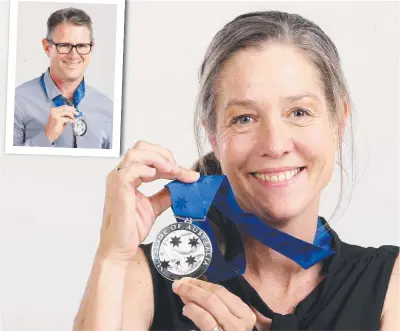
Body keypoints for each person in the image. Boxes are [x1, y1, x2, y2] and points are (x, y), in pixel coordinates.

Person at [73, 11, 399, 331]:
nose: (274, 144)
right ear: (214, 137)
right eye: (244, 118)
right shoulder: (142, 276)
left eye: (299, 112)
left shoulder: (391, 285)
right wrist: (112, 256)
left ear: (339, 122)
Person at [13, 7, 113, 149]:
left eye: (82, 46)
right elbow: (5, 167)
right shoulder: (15, 103)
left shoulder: (107, 108)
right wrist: (45, 138)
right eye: (65, 45)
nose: (74, 55)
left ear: (92, 47)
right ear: (47, 47)